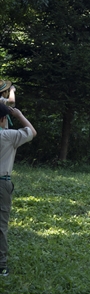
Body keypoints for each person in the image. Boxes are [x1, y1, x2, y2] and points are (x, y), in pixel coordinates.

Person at [0, 105, 37, 277]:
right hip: (2, 183)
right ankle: (1, 266)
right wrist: (19, 114)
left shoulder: (6, 134)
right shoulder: (8, 136)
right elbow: (31, 131)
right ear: (3, 119)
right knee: (1, 225)